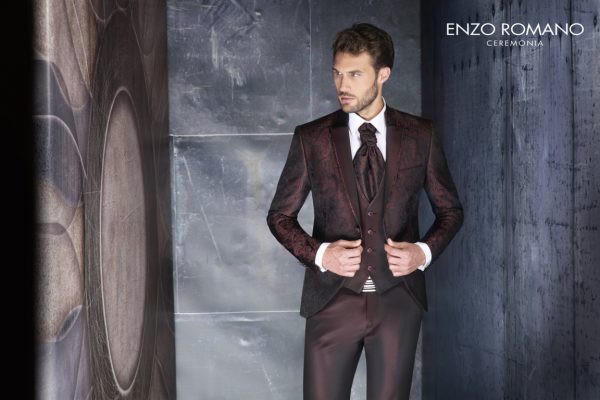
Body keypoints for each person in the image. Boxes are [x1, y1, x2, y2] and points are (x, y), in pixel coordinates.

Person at [266, 23, 463, 400]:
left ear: (383, 75)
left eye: (355, 74)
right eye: (337, 73)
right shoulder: (312, 138)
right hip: (331, 301)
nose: (342, 84)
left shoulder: (421, 135)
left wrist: (422, 253)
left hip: (398, 301)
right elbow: (279, 217)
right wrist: (322, 254)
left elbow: (450, 210)